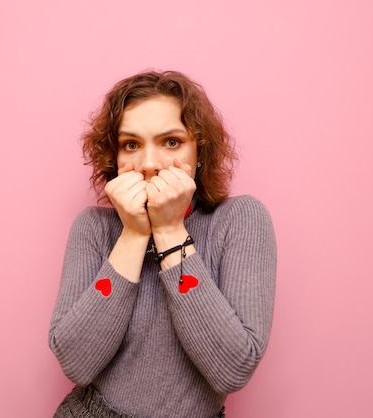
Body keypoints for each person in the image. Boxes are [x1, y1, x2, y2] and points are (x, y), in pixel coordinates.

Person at [49, 70, 277, 418]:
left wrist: (170, 230)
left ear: (200, 151)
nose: (150, 164)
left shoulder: (240, 220)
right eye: (131, 145)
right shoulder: (94, 228)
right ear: (115, 158)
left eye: (171, 142)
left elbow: (232, 369)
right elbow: (76, 363)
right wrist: (135, 233)